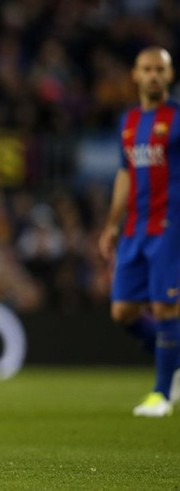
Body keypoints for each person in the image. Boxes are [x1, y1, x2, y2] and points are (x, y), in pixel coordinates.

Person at [99, 46, 180, 418]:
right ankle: (173, 362)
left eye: (159, 69)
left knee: (166, 306)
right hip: (134, 227)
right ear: (134, 75)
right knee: (123, 312)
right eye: (146, 69)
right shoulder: (128, 121)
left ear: (169, 75)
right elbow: (124, 173)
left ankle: (162, 393)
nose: (152, 75)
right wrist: (111, 224)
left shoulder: (177, 118)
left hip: (170, 225)